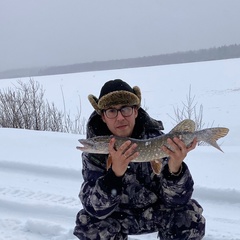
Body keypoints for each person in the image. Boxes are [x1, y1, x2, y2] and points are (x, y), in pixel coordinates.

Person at [74, 79, 205, 240]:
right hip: (117, 217)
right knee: (88, 225)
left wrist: (175, 168)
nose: (120, 118)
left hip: (155, 213)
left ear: (135, 111)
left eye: (126, 109)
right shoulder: (95, 154)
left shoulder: (157, 140)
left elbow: (179, 200)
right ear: (103, 117)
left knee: (189, 216)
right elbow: (94, 208)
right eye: (111, 111)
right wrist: (114, 175)